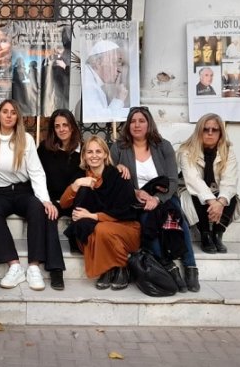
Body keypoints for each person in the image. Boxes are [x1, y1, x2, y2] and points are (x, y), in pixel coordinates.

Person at [0, 99, 65, 291]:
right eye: (5, 112)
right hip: (0, 192)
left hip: (23, 190)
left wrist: (45, 200)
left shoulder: (27, 139)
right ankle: (14, 266)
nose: (8, 116)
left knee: (37, 208)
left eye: (13, 112)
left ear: (17, 117)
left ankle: (33, 267)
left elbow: (37, 172)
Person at [110, 106, 200, 293]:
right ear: (128, 125)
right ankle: (170, 267)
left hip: (162, 196)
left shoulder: (163, 146)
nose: (136, 125)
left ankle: (190, 267)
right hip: (135, 197)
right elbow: (110, 178)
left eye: (141, 121)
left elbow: (173, 181)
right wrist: (132, 188)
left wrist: (157, 199)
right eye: (133, 121)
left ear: (149, 123)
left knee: (177, 217)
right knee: (147, 221)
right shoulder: (119, 147)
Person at [60, 136, 140, 290]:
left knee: (101, 228)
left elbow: (125, 211)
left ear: (105, 154)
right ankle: (112, 269)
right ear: (84, 156)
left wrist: (92, 216)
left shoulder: (119, 176)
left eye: (98, 151)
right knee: (94, 230)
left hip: (125, 227)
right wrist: (76, 184)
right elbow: (64, 204)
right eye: (89, 152)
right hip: (91, 231)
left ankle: (120, 266)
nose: (94, 155)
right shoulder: (80, 176)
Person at [178, 113, 240, 256]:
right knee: (197, 195)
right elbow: (193, 180)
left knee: (229, 196)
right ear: (199, 131)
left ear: (221, 132)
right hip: (192, 190)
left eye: (215, 129)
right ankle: (205, 235)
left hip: (216, 191)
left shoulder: (228, 151)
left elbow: (230, 180)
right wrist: (213, 201)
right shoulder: (186, 150)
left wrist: (220, 202)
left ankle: (218, 234)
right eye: (205, 129)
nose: (210, 133)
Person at [37, 109, 82, 218]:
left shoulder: (82, 151)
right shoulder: (44, 148)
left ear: (72, 127)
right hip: (51, 201)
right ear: (53, 130)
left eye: (65, 125)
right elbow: (37, 175)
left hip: (73, 203)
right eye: (57, 126)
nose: (61, 129)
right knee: (48, 215)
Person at [81, 40, 128, 121]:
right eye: (115, 62)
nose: (119, 69)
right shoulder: (89, 85)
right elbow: (99, 120)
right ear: (98, 63)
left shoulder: (91, 80)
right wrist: (118, 99)